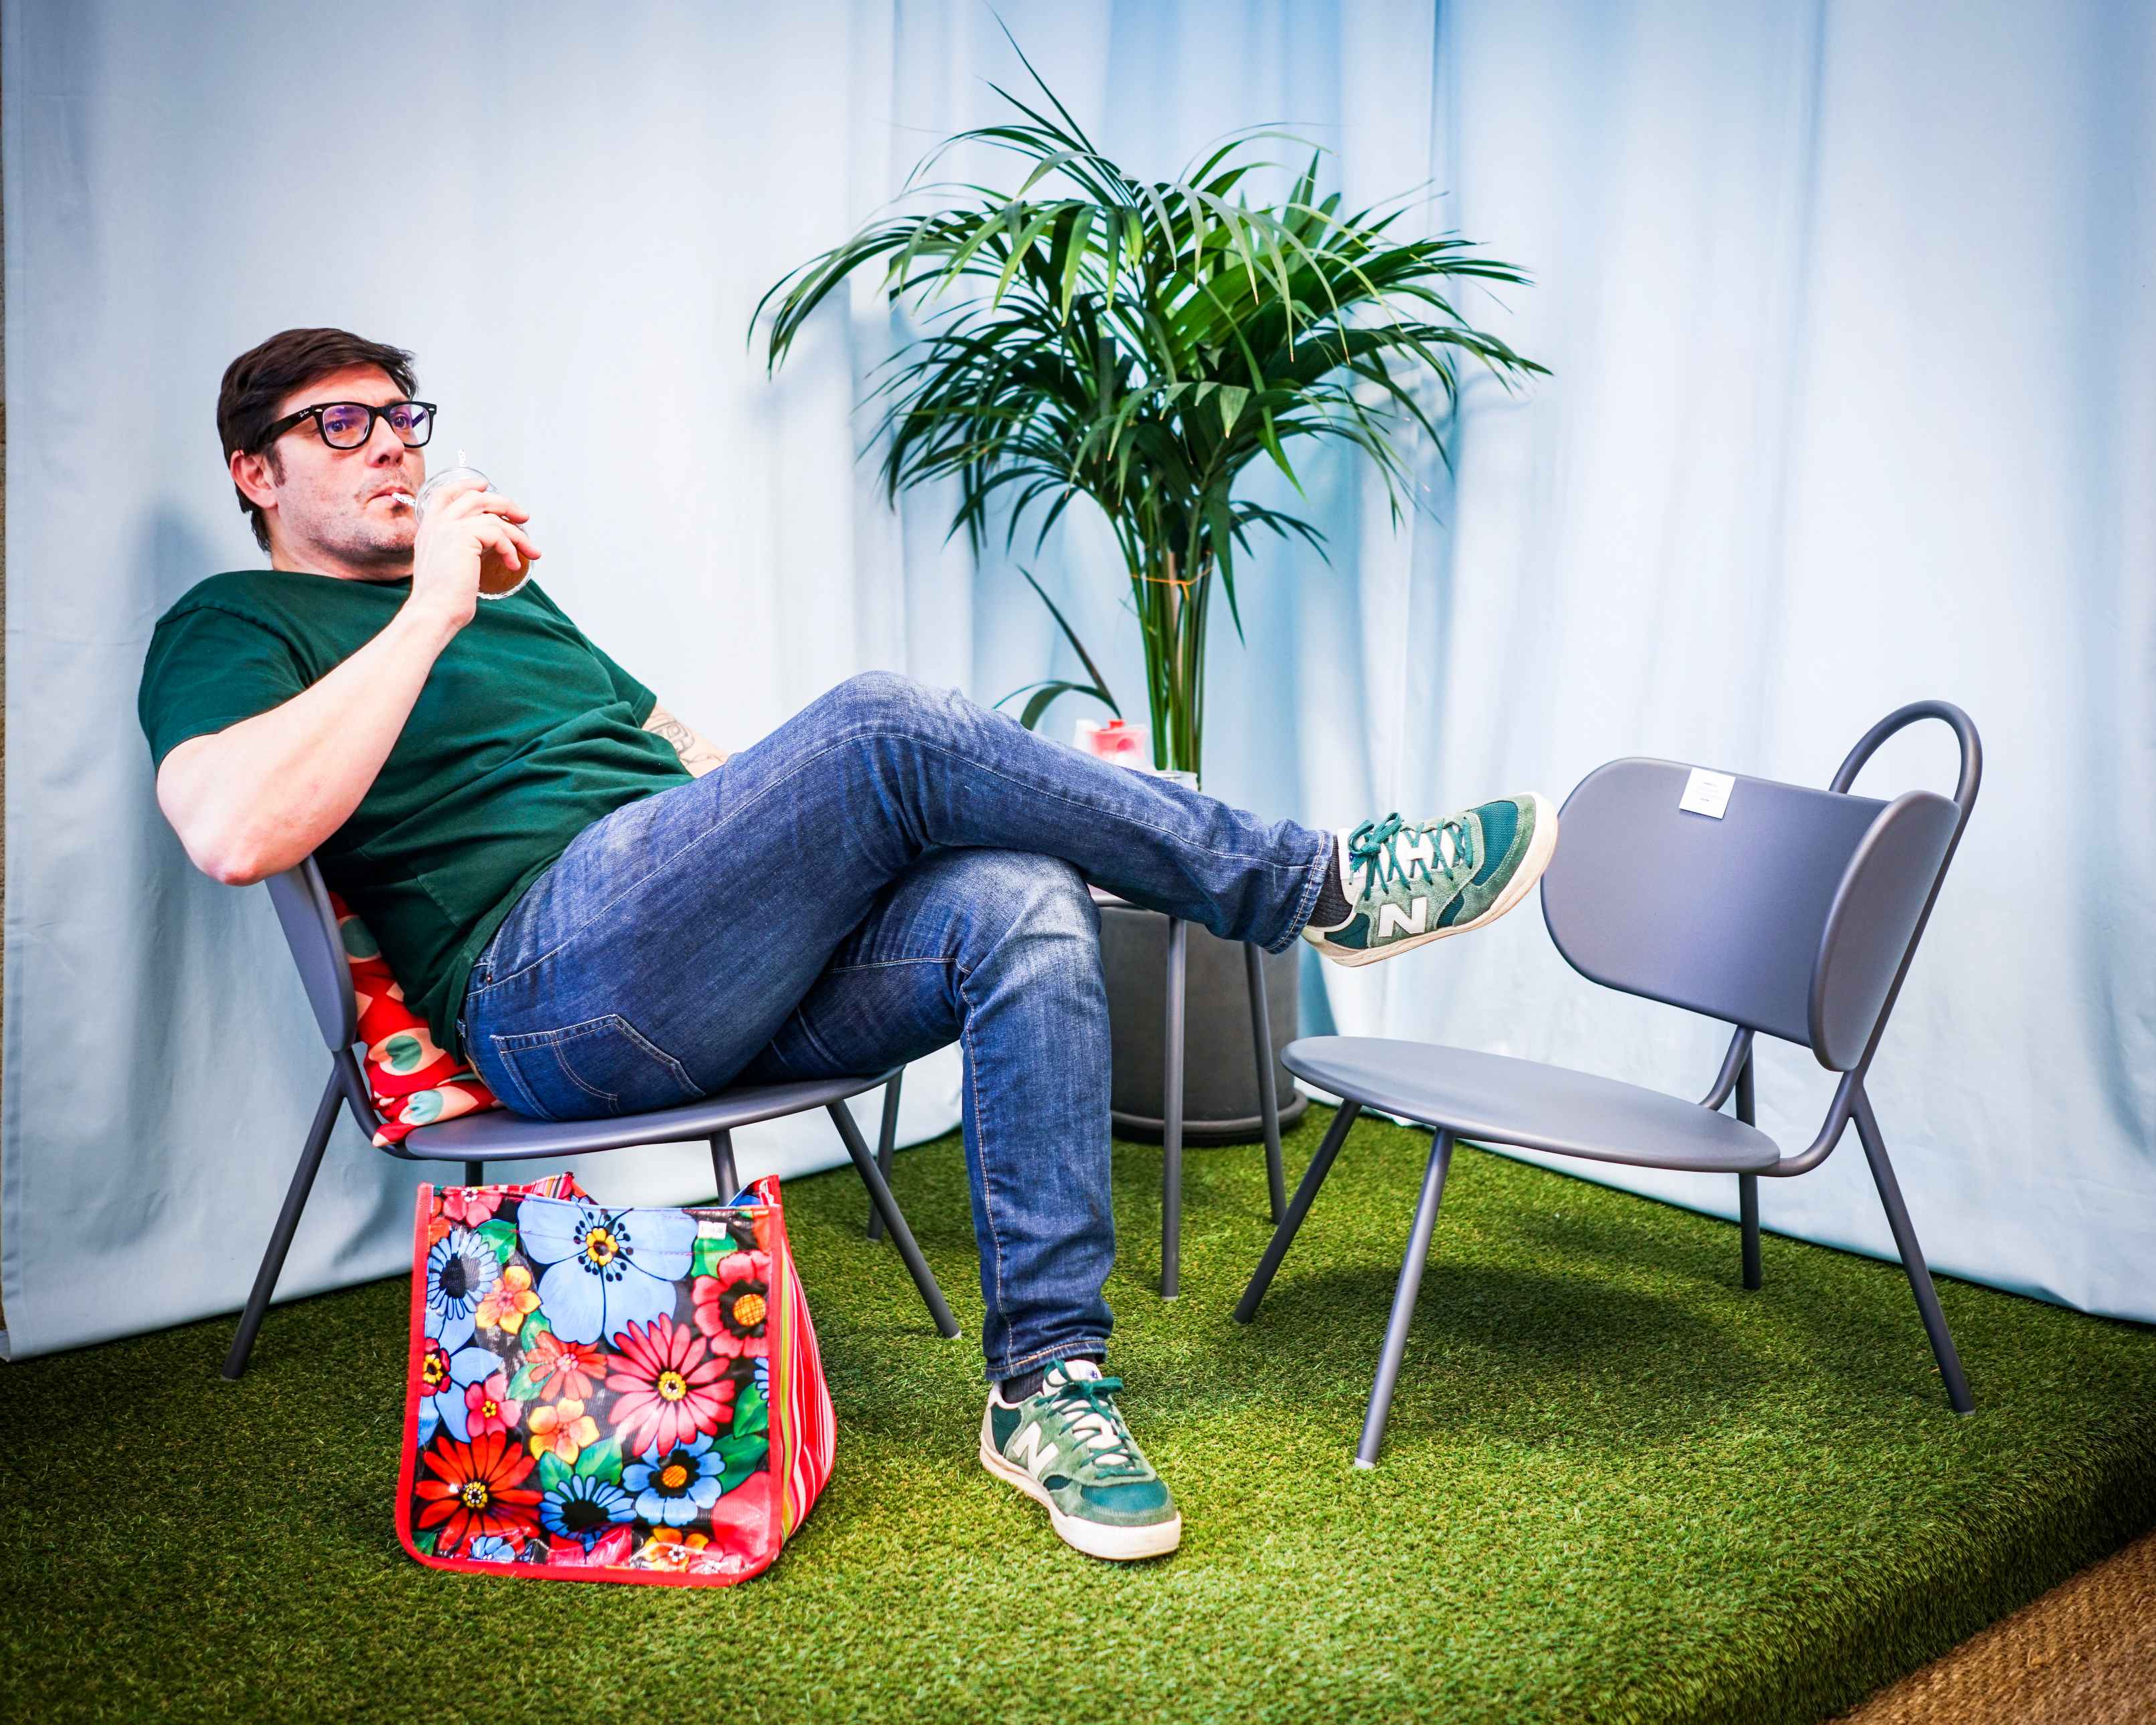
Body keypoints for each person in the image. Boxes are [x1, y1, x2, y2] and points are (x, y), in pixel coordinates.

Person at [138, 327, 1558, 1564]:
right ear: (256, 472)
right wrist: (435, 608)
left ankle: (1047, 1384)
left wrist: (860, 819)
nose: (391, 444)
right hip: (550, 996)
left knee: (1019, 895)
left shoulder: (517, 603)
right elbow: (228, 830)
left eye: (401, 416)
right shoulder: (237, 621)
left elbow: (682, 757)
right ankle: (1324, 887)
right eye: (340, 424)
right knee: (882, 720)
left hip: (696, 951)